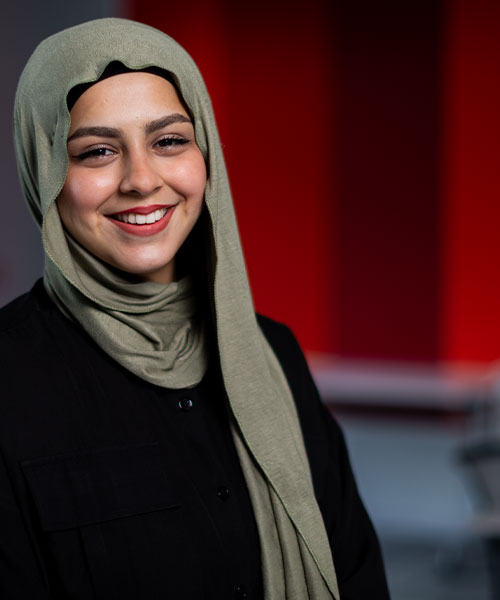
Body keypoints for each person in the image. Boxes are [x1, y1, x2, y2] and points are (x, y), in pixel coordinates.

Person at [0, 18, 389, 599]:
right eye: (98, 151)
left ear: (205, 153)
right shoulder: (7, 377)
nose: (140, 179)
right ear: (45, 170)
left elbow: (355, 572)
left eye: (169, 141)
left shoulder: (271, 351)